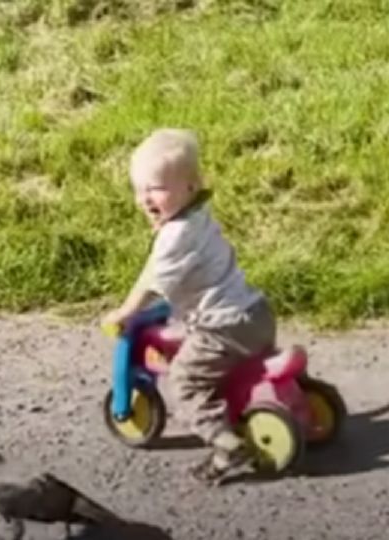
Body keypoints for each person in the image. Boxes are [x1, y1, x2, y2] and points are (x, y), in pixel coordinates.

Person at [102, 128, 276, 483]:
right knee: (191, 344)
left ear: (190, 187)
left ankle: (228, 446)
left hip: (224, 326)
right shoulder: (195, 216)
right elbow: (158, 268)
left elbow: (156, 282)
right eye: (140, 189)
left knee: (184, 382)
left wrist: (126, 312)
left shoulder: (175, 235)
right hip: (254, 313)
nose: (145, 198)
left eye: (157, 188)